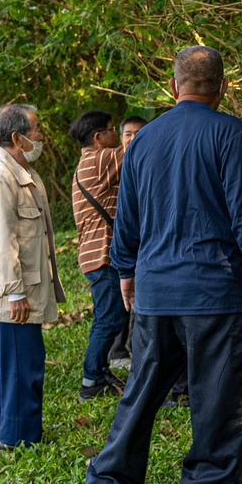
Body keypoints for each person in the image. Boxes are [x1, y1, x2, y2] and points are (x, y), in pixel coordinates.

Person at [86, 45, 242, 484]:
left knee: (142, 386)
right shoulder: (229, 133)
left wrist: (125, 272)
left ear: (174, 87)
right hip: (211, 292)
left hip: (155, 289)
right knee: (219, 391)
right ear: (223, 88)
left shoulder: (143, 142)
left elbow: (127, 220)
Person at [0, 104, 66, 449]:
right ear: (16, 137)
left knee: (10, 363)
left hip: (23, 287)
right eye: (35, 130)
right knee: (25, 365)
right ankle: (19, 439)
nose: (40, 136)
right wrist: (14, 293)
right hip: (14, 293)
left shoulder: (22, 172)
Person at [68, 110, 128, 403]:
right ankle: (90, 379)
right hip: (101, 255)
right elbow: (136, 147)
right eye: (112, 130)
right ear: (98, 137)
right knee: (108, 318)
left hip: (96, 254)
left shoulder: (85, 164)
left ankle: (100, 371)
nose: (116, 135)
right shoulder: (99, 159)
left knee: (112, 316)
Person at [108, 114, 149, 370]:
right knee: (121, 302)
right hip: (118, 244)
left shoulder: (153, 163)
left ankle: (133, 354)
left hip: (144, 245)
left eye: (139, 133)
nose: (133, 138)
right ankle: (119, 352)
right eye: (128, 134)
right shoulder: (112, 164)